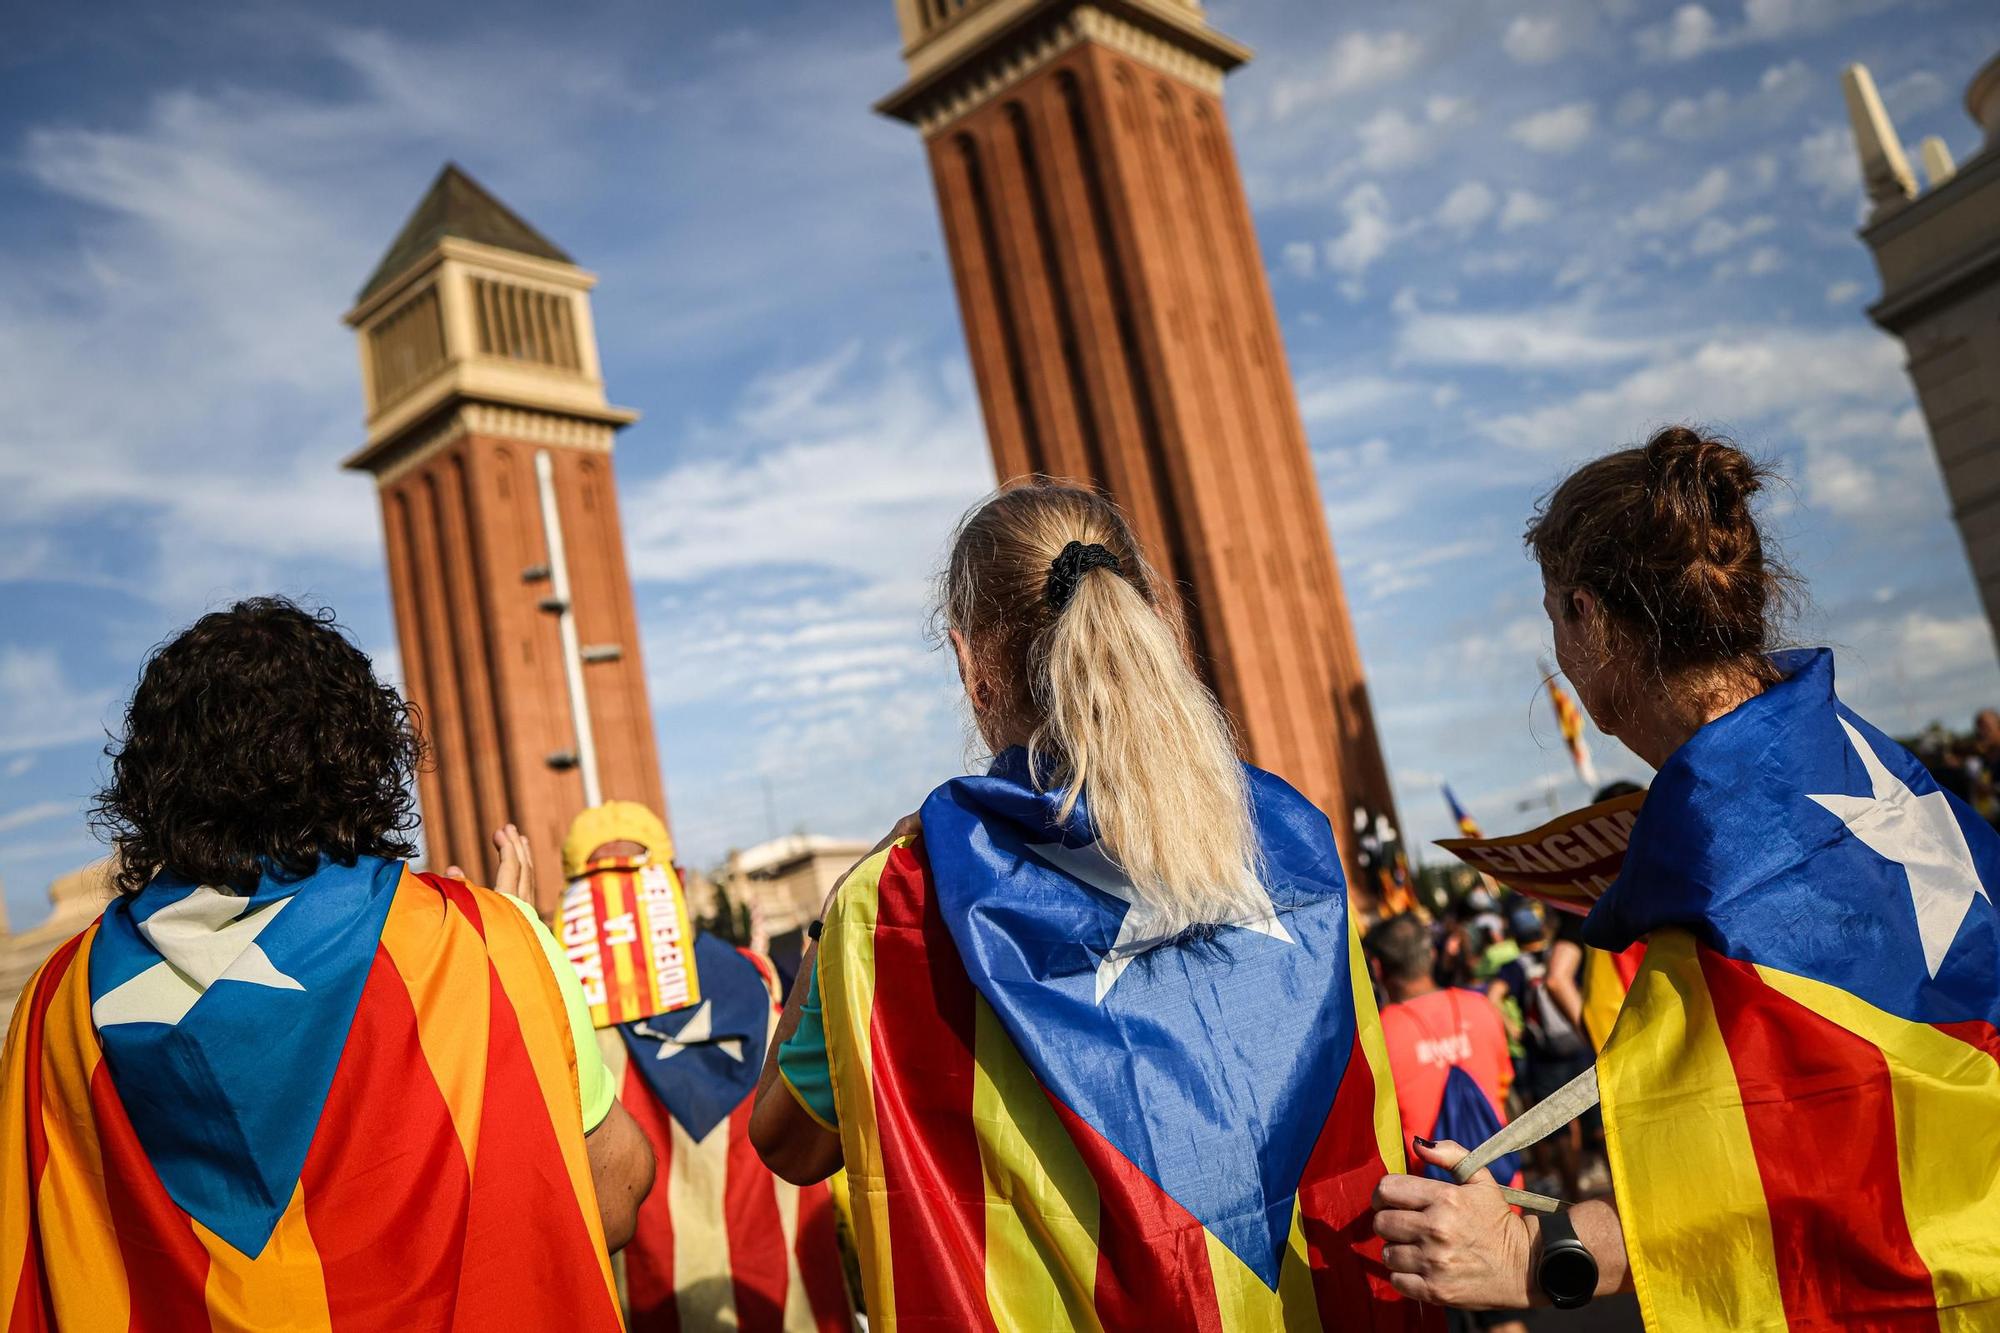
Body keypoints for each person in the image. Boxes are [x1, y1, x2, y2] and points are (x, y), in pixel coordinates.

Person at [748, 482, 1433, 1330]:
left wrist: (828, 932)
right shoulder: (1287, 832)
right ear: (1150, 618)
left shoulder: (896, 902)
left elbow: (786, 1139)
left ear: (972, 666)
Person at [1373, 427, 2000, 1326]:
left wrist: (1528, 1254)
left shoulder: (1720, 862)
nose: (1556, 646)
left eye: (1554, 614)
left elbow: (1773, 1168)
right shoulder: (1850, 747)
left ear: (1588, 616)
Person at [0, 598, 654, 1329]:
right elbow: (611, 1196)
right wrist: (514, 961)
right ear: (362, 756)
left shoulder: (54, 1004)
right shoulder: (481, 944)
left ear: (151, 784)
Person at [562, 802, 853, 1332]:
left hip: (658, 1300)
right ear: (674, 880)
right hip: (792, 1295)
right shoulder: (759, 977)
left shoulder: (563, 1014)